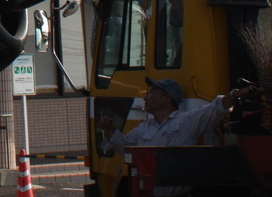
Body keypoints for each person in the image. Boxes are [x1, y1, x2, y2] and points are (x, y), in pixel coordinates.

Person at [99, 77, 249, 196]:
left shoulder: (186, 122)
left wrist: (233, 96)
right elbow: (125, 149)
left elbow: (214, 109)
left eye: (151, 93)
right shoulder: (143, 129)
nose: (145, 98)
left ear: (166, 99)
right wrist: (110, 130)